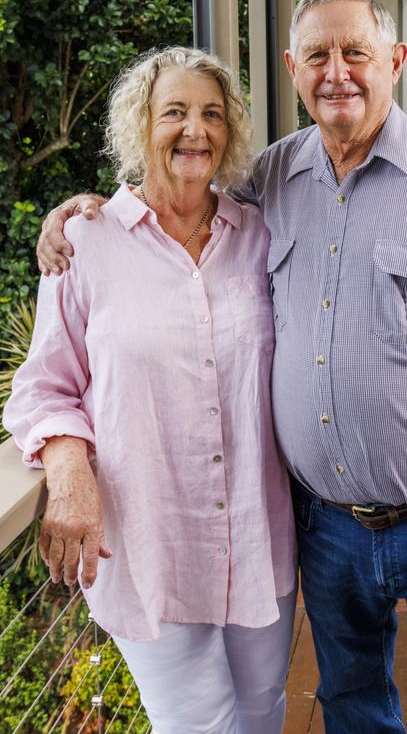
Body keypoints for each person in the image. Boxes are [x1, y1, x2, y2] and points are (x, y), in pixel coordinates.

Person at [37, 0, 407, 734]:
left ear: (396, 60)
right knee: (352, 709)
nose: (337, 70)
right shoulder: (268, 183)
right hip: (329, 529)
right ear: (292, 67)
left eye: (356, 51)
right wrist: (72, 211)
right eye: (319, 54)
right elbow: (172, 196)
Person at [5, 47, 297, 734]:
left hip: (257, 537)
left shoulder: (260, 233)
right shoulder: (85, 240)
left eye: (212, 114)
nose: (195, 129)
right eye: (175, 112)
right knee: (193, 724)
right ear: (141, 126)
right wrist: (70, 472)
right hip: (148, 542)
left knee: (261, 712)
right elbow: (44, 385)